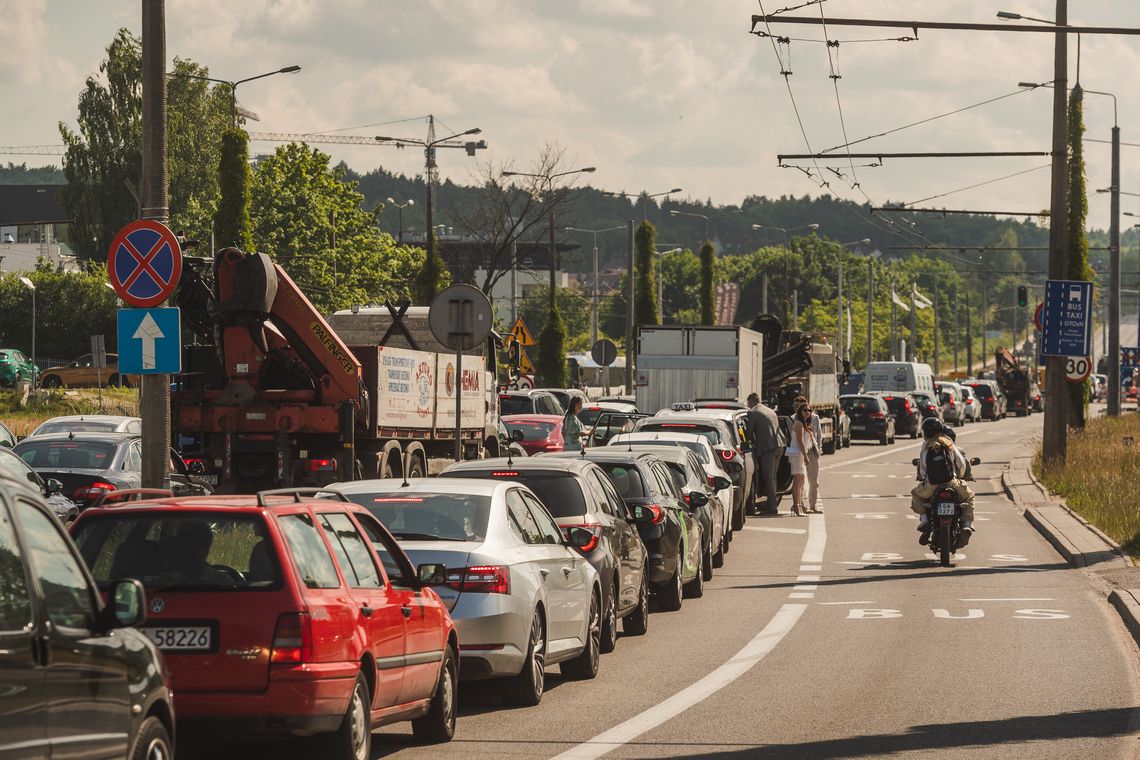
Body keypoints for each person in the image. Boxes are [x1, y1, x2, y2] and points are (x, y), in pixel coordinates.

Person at [911, 417, 975, 547]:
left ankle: (924, 520)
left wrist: (924, 480)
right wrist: (960, 476)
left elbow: (923, 468)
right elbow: (960, 463)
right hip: (951, 482)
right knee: (969, 497)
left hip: (932, 485)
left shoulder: (926, 446)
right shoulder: (948, 443)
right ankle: (967, 525)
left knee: (915, 494)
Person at [746, 392, 781, 516]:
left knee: (768, 477)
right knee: (772, 477)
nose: (748, 406)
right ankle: (772, 502)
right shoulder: (770, 411)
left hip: (767, 448)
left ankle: (772, 507)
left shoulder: (753, 412)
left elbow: (748, 433)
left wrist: (746, 443)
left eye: (748, 403)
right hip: (778, 445)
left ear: (750, 402)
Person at [794, 395, 823, 513]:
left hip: (813, 452)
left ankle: (813, 505)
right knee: (801, 480)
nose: (797, 408)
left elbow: (819, 435)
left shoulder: (815, 418)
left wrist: (819, 450)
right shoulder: (794, 419)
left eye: (807, 409)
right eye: (796, 405)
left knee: (814, 481)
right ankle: (802, 505)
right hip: (800, 453)